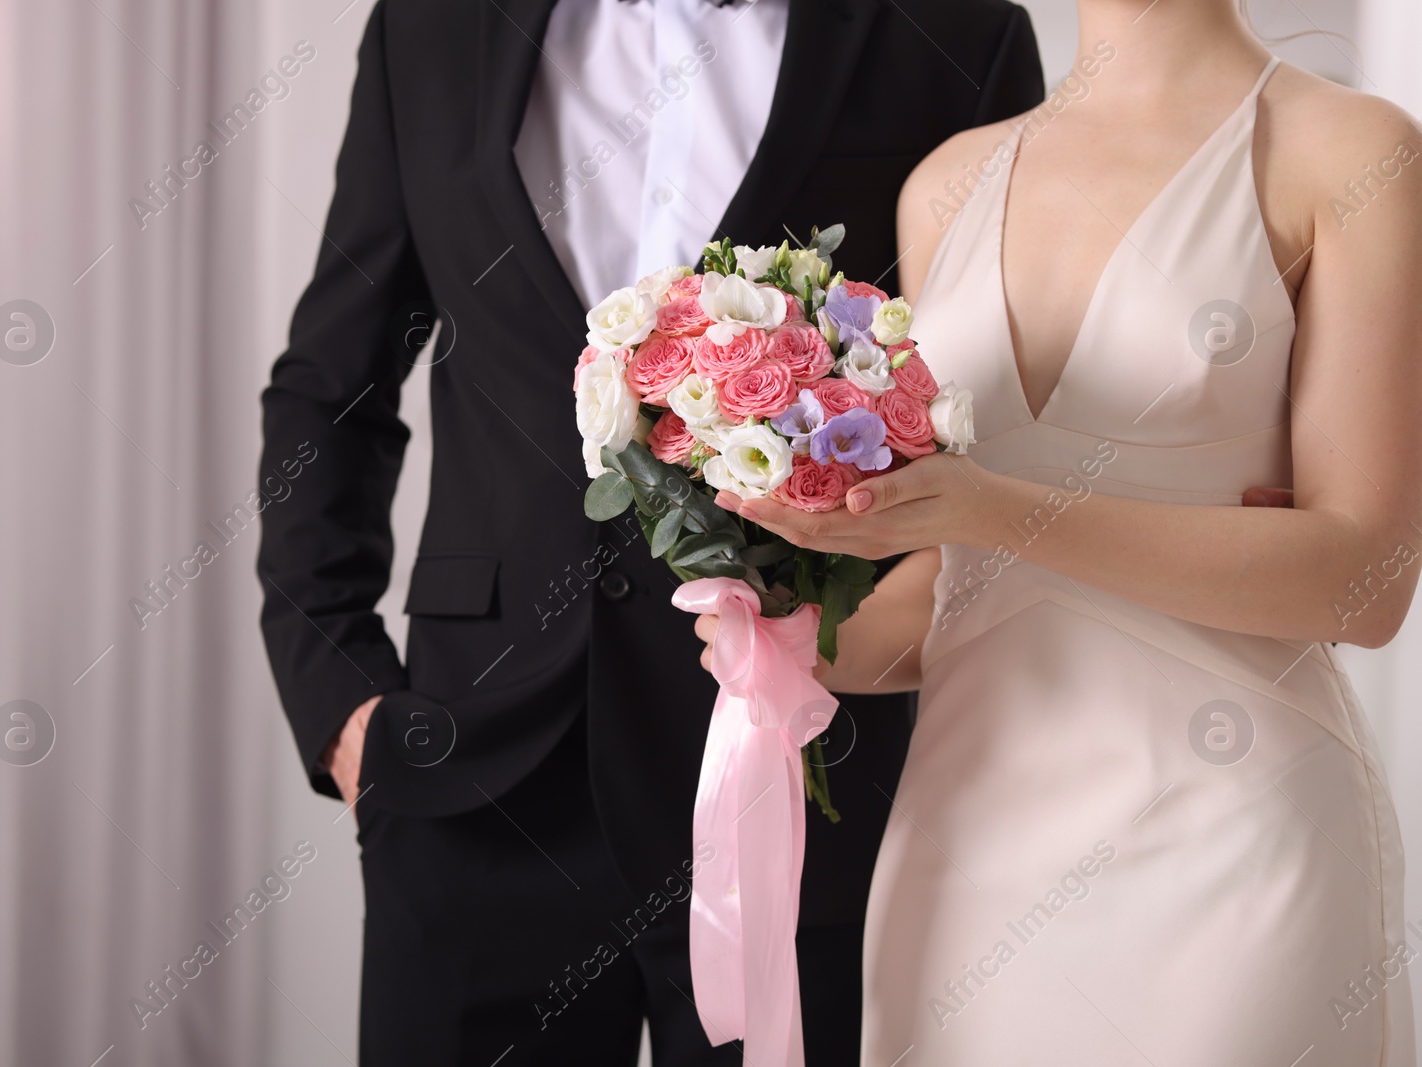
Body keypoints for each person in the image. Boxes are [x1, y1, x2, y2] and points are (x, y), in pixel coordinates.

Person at [256, 0, 1047, 1063]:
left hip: (801, 784)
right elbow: (333, 386)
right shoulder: (427, 27)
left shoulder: (951, 33)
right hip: (469, 764)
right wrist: (337, 696)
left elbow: (995, 404)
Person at [701, 0, 1422, 1062]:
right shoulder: (946, 182)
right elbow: (961, 584)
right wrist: (780, 636)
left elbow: (1363, 580)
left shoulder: (1349, 151)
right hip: (966, 841)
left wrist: (999, 508)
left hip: (1232, 835)